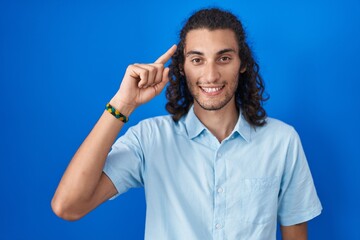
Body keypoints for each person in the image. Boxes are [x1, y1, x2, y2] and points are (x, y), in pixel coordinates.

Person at [52, 8, 322, 240]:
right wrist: (123, 104)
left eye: (224, 58)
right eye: (197, 60)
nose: (211, 74)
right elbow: (68, 206)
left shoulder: (282, 140)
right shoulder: (150, 138)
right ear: (182, 67)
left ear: (242, 63)